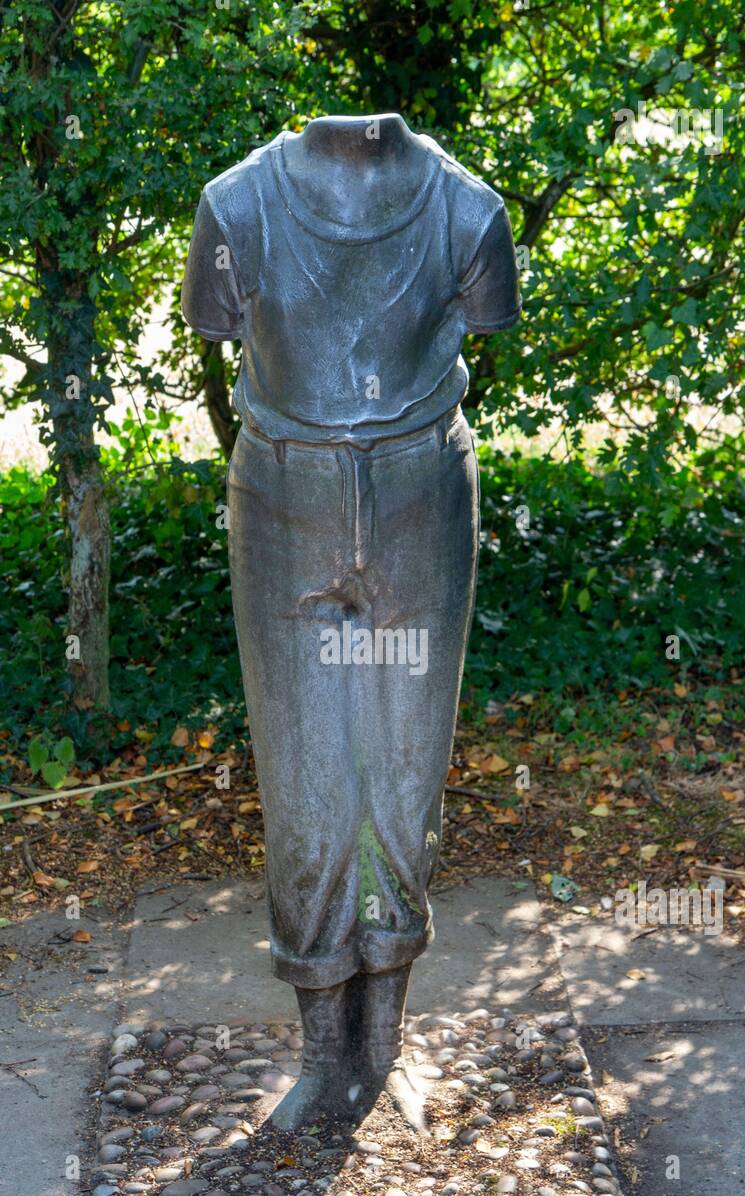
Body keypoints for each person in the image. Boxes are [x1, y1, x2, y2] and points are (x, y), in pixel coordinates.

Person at [182, 113, 521, 1130]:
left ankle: (386, 1048)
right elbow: (216, 318)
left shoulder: (467, 207)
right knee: (307, 792)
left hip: (423, 504)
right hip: (285, 505)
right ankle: (320, 1052)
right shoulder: (234, 204)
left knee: (405, 785)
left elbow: (489, 316)